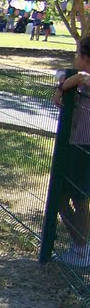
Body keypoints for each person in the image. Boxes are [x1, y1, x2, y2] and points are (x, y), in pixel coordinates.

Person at [54, 35, 90, 267]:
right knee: (64, 196)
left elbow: (82, 77)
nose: (75, 59)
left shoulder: (84, 79)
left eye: (78, 55)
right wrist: (62, 86)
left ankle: (82, 250)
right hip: (75, 144)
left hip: (84, 146)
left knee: (76, 196)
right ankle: (81, 246)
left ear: (86, 58)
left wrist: (63, 86)